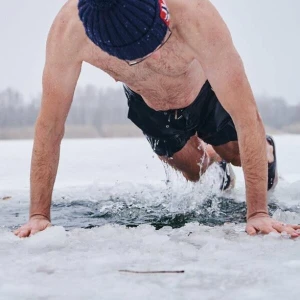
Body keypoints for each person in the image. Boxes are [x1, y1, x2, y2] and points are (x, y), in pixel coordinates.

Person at [14, 0, 300, 238]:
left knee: (236, 152)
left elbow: (247, 116)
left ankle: (265, 150)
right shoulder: (69, 30)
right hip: (148, 103)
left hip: (204, 89)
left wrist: (258, 213)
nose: (145, 61)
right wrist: (38, 215)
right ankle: (212, 159)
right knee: (194, 170)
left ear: (162, 16)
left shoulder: (195, 15)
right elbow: (50, 126)